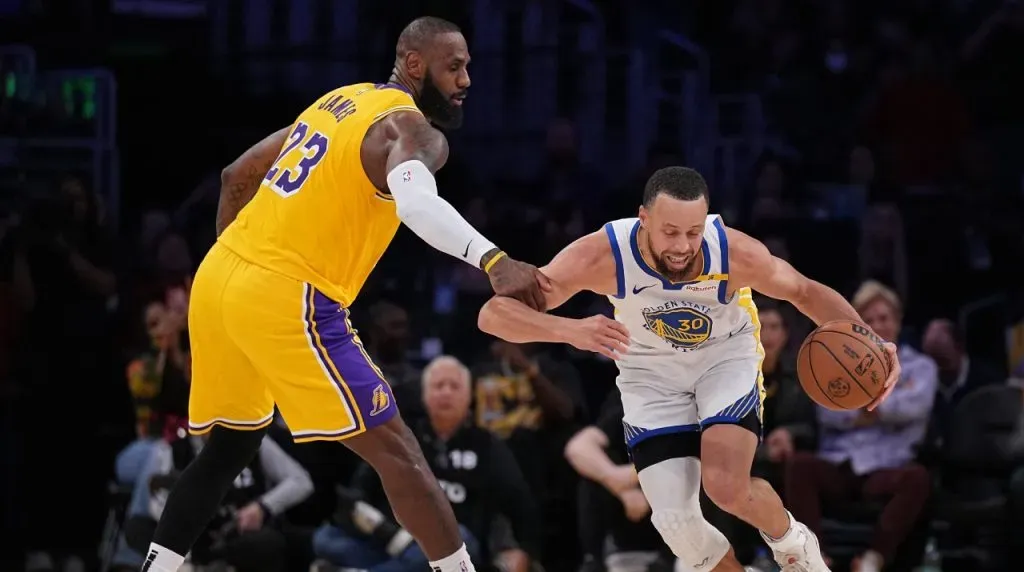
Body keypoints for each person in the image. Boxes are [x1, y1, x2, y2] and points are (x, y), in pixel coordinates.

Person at [141, 16, 549, 572]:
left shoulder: (338, 101)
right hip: (286, 290)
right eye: (454, 66)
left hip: (219, 276)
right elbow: (416, 205)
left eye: (468, 67)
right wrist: (493, 260)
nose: (467, 79)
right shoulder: (412, 130)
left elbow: (236, 176)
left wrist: (242, 272)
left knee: (230, 446)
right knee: (398, 451)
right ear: (413, 65)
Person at [477, 167, 902, 572]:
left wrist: (873, 345)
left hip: (724, 357)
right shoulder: (601, 255)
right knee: (677, 526)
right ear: (643, 219)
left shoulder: (733, 252)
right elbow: (493, 315)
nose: (683, 245)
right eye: (670, 232)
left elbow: (805, 292)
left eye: (693, 232)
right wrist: (569, 330)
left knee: (725, 485)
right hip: (649, 372)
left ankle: (793, 544)